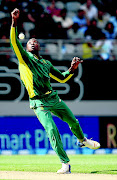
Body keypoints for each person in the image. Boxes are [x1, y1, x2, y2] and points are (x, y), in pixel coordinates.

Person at [10, 8, 100, 174]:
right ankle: (65, 163)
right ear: (27, 47)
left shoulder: (46, 63)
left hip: (53, 97)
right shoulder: (25, 59)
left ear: (39, 47)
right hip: (38, 102)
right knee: (52, 130)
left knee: (73, 121)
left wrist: (72, 69)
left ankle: (82, 140)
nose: (32, 41)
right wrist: (14, 22)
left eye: (35, 41)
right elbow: (15, 43)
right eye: (30, 41)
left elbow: (62, 78)